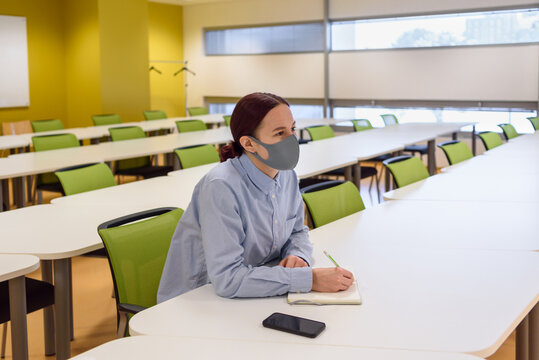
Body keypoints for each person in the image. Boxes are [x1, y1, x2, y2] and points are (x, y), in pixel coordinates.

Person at [157, 92, 353, 302]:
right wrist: (309, 280)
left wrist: (297, 255)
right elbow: (227, 279)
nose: (291, 139)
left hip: (254, 286)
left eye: (292, 129)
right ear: (249, 144)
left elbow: (297, 231)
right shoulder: (221, 187)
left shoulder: (286, 175)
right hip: (198, 300)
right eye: (279, 133)